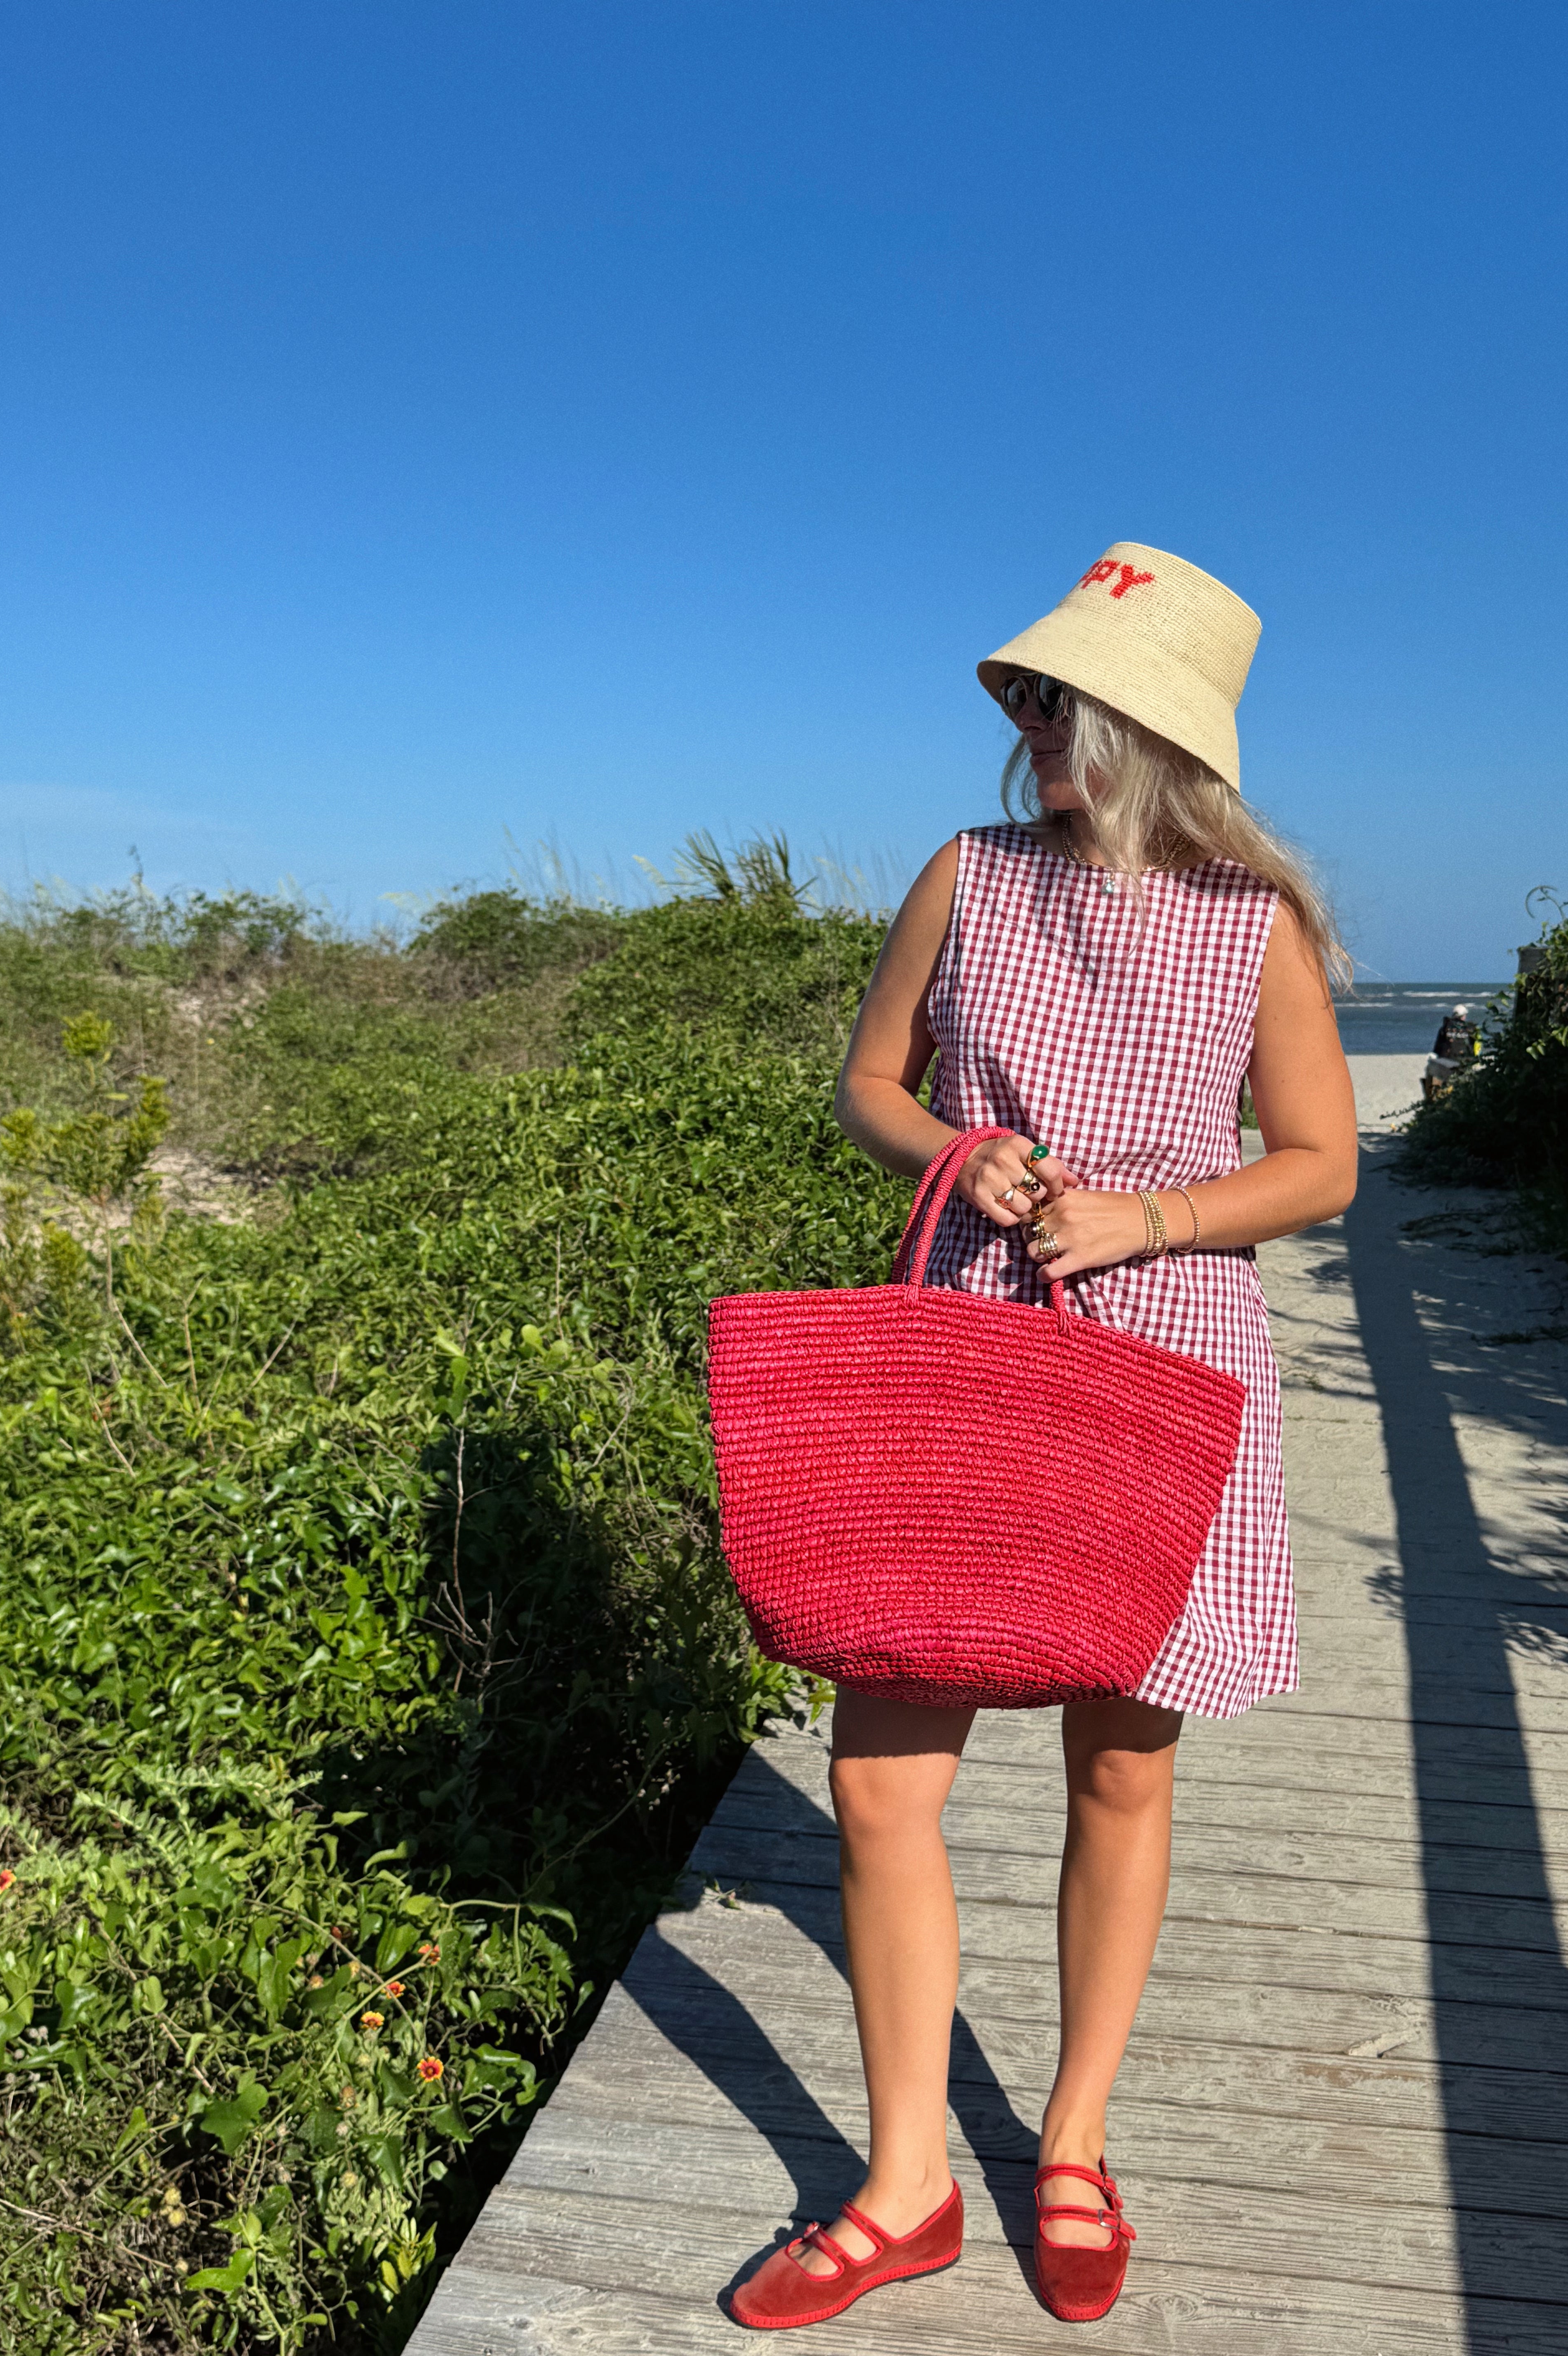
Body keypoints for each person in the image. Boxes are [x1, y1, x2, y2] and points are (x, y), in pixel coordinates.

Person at [730, 544, 1358, 2330]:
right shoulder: (965, 873)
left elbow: (1322, 1163)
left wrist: (1151, 1218)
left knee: (1121, 1765)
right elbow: (869, 1077)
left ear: (1156, 733)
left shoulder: (1258, 926)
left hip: (1162, 1341)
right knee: (877, 1779)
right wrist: (952, 1153)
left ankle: (1070, 2141)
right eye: (1033, 704)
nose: (1037, 738)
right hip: (965, 1341)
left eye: (1073, 711)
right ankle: (908, 2178)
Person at [1424, 1002, 1478, 1100]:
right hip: (1465, 1062)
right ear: (1464, 1016)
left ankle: (1434, 1098)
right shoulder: (1470, 1029)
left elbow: (1438, 1048)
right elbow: (1475, 1047)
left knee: (1433, 1072)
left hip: (1447, 1062)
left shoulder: (1445, 1028)